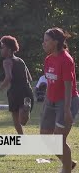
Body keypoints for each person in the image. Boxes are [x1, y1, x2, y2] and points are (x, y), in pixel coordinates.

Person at [40, 27, 78, 173]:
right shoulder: (48, 59)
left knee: (59, 141)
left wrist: (67, 109)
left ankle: (66, 169)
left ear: (55, 42)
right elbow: (50, 83)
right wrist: (46, 105)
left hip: (67, 101)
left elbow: (68, 86)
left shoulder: (66, 60)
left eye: (46, 40)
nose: (43, 43)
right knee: (45, 137)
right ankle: (69, 163)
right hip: (51, 101)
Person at [0, 35, 34, 134]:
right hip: (27, 90)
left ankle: (22, 136)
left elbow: (8, 77)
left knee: (17, 122)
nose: (1, 49)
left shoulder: (7, 61)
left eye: (2, 47)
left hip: (15, 92)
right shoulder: (20, 60)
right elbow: (30, 78)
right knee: (22, 121)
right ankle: (25, 108)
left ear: (9, 49)